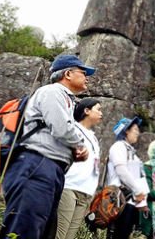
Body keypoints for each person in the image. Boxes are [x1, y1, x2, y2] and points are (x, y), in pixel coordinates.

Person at [0, 55, 96, 239]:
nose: (87, 77)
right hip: (37, 165)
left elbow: (56, 133)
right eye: (83, 73)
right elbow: (61, 128)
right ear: (68, 73)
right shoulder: (52, 92)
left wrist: (72, 152)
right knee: (25, 228)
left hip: (50, 169)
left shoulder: (66, 99)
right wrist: (80, 145)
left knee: (40, 230)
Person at [56, 98, 103, 239]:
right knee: (60, 234)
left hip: (85, 192)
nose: (101, 113)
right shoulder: (73, 130)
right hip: (69, 187)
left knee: (69, 236)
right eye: (98, 109)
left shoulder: (93, 138)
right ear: (86, 110)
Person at [106, 116, 148, 239]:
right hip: (119, 200)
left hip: (131, 200)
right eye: (135, 129)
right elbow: (121, 171)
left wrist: (142, 198)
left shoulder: (132, 153)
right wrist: (138, 191)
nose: (137, 133)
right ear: (126, 131)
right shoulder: (118, 147)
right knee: (118, 234)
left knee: (125, 234)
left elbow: (139, 176)